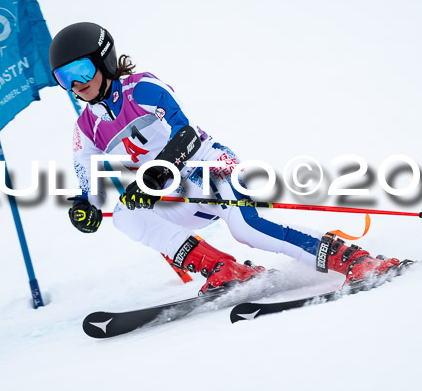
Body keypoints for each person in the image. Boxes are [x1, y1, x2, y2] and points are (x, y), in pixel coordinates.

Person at [49, 22, 403, 295]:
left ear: (104, 60)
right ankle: (226, 270)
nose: (76, 84)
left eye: (81, 70)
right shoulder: (86, 127)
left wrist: (154, 177)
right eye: (65, 78)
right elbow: (89, 180)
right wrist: (85, 207)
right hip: (173, 195)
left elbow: (184, 134)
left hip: (209, 168)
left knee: (245, 227)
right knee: (125, 215)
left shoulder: (142, 88)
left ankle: (355, 259)